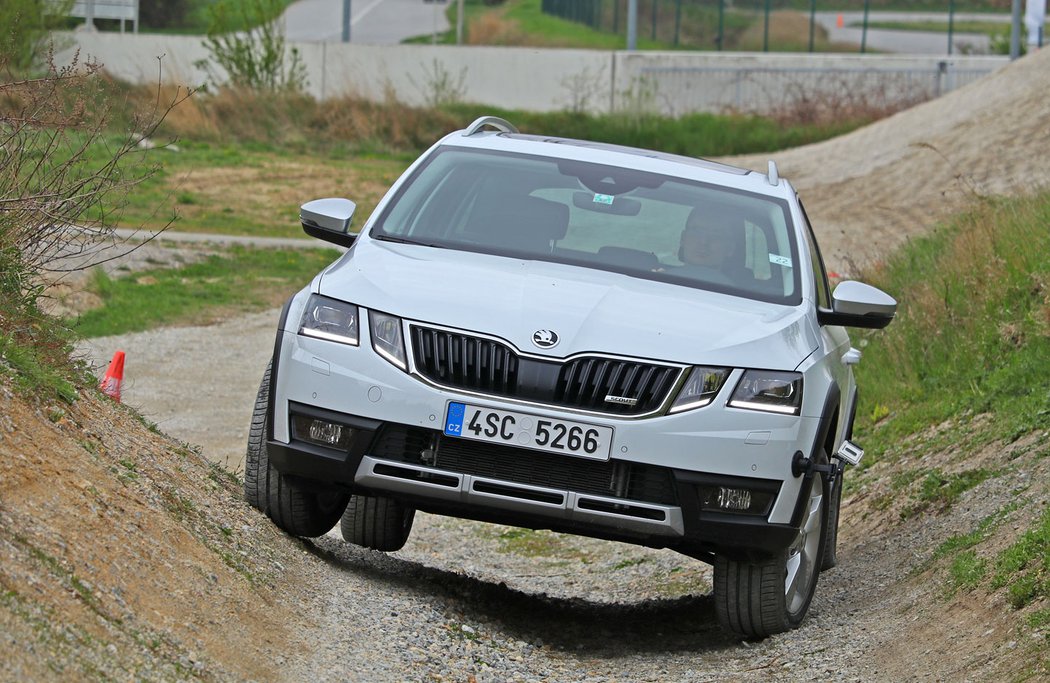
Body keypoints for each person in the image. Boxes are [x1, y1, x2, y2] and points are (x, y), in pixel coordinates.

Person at [676, 206, 740, 285]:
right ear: (683, 238)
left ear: (730, 248)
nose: (704, 241)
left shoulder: (740, 296)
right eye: (697, 232)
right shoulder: (656, 283)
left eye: (716, 235)